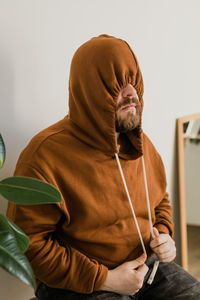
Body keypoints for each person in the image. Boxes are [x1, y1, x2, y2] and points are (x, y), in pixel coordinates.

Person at [7, 34, 200, 299]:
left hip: (148, 270)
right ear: (89, 92)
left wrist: (165, 236)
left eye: (133, 81)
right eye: (116, 85)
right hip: (81, 283)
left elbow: (160, 201)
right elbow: (29, 246)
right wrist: (105, 279)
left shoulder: (141, 144)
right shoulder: (44, 156)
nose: (131, 93)